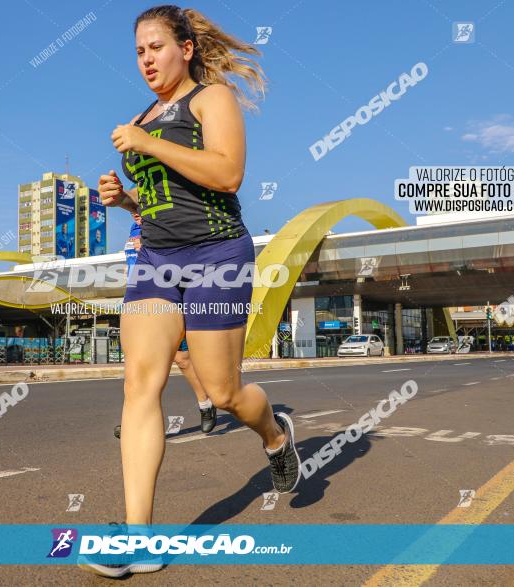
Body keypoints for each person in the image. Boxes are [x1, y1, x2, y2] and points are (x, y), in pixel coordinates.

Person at [80, 5, 299, 578]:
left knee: (225, 394)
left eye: (156, 47)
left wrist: (146, 145)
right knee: (139, 385)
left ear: (186, 48)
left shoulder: (212, 98)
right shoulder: (142, 116)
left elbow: (227, 174)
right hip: (156, 258)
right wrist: (125, 200)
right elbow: (163, 200)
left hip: (216, 256)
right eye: (138, 52)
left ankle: (275, 436)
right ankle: (139, 539)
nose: (147, 59)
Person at [114, 213, 217, 440]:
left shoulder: (166, 224)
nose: (135, 211)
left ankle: (205, 403)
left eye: (140, 203)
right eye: (132, 206)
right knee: (137, 363)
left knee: (181, 358)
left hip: (166, 298)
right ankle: (135, 418)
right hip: (137, 299)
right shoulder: (133, 228)